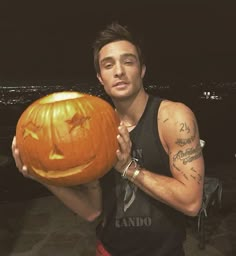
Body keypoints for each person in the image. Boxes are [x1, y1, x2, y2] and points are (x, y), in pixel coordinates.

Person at [12, 22, 205, 256]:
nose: (119, 71)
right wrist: (41, 176)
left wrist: (129, 169)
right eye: (108, 64)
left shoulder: (172, 117)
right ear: (100, 77)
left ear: (142, 70)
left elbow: (192, 203)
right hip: (109, 250)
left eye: (128, 61)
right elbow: (92, 211)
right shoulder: (91, 130)